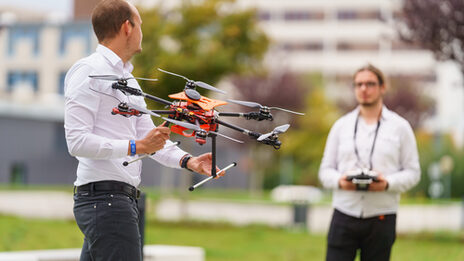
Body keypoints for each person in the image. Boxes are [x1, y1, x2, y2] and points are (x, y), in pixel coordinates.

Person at [64, 1, 222, 260]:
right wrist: (137, 146)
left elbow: (151, 138)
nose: (142, 32)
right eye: (141, 25)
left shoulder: (128, 80)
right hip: (105, 202)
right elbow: (77, 142)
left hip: (116, 202)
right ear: (128, 27)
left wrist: (189, 161)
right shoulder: (88, 71)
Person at [318, 64, 420, 261]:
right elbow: (325, 170)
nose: (364, 89)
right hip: (344, 212)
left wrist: (387, 183)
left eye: (370, 84)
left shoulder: (401, 127)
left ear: (382, 87)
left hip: (382, 216)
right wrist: (341, 181)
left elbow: (413, 172)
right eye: (359, 84)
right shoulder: (341, 126)